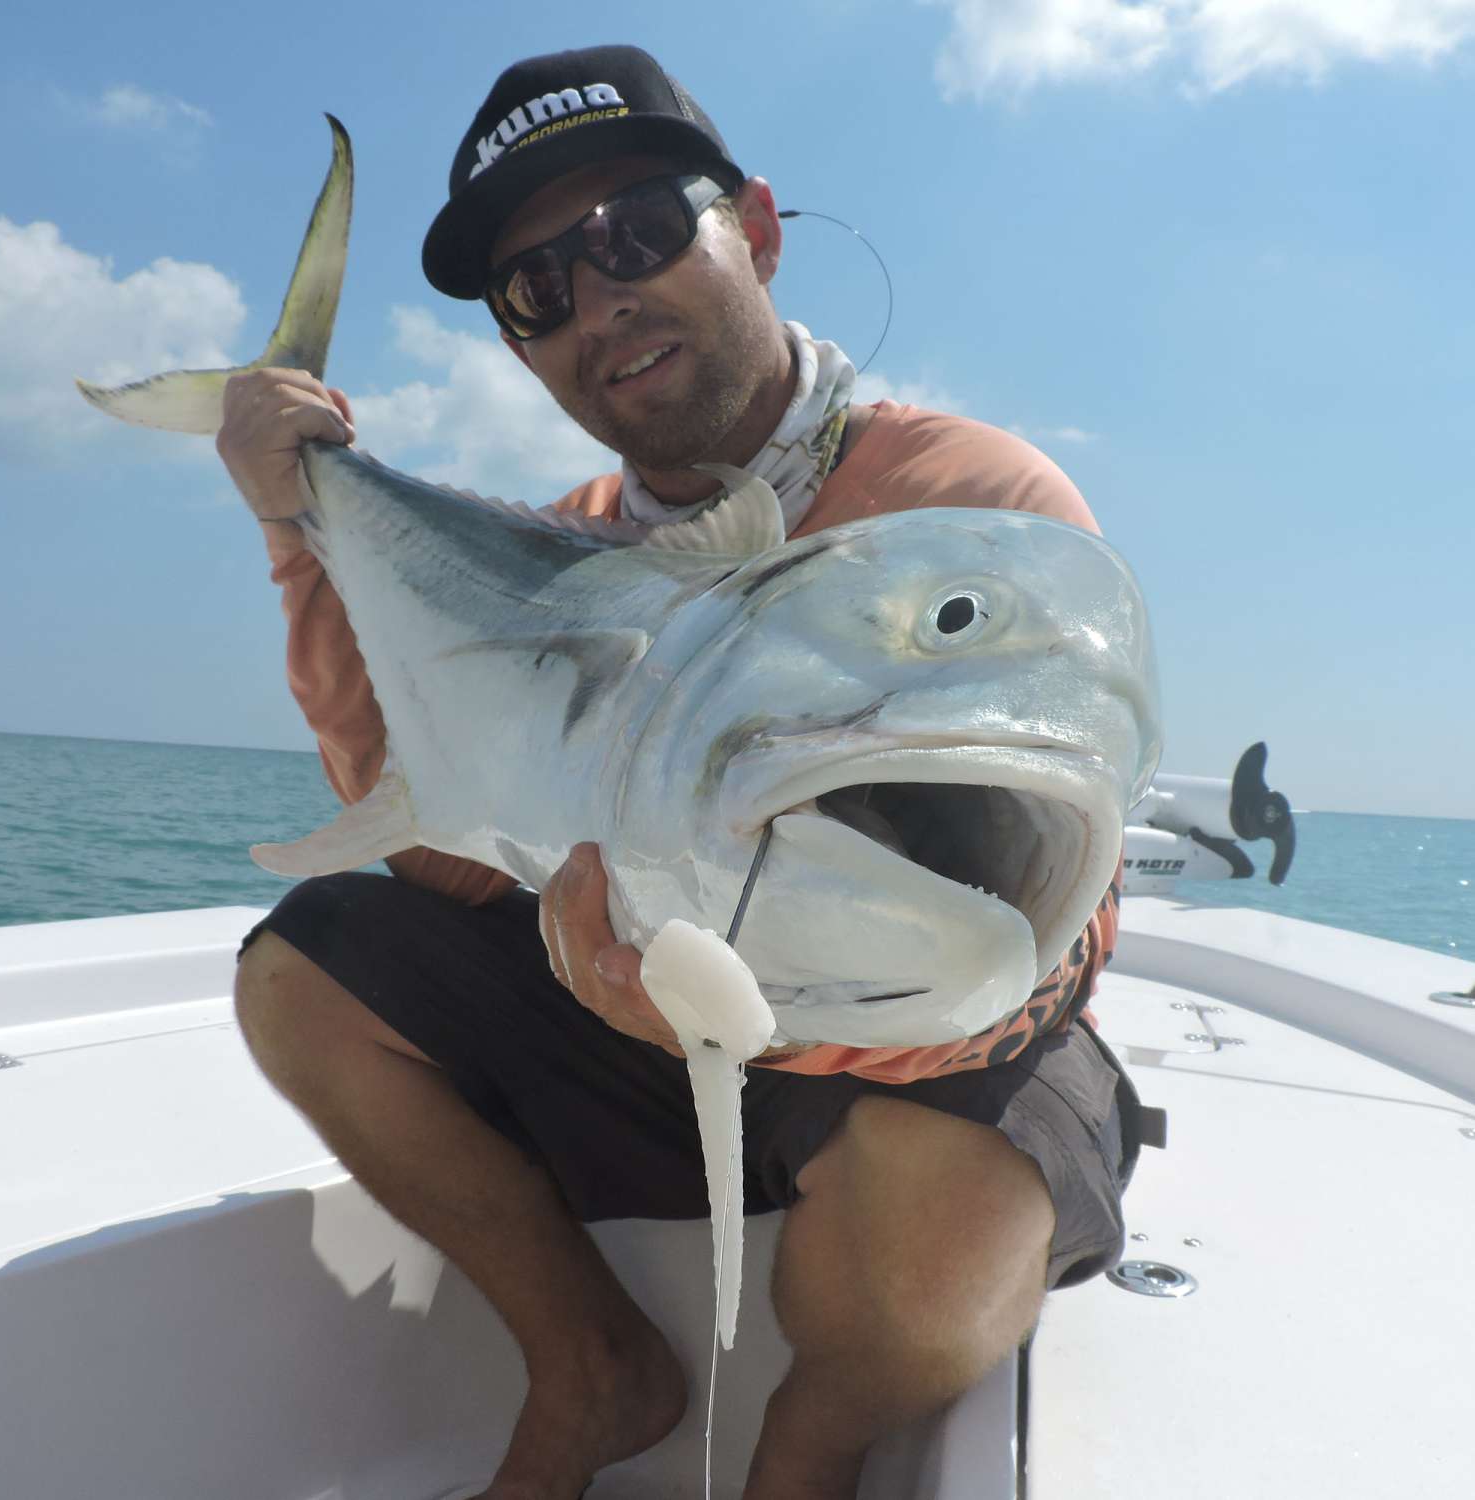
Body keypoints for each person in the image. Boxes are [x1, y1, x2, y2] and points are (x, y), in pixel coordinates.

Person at [223, 45, 1155, 1500]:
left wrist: (795, 1034)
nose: (600, 300)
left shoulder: (970, 511)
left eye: (638, 232)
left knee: (930, 1267)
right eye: (537, 291)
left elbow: (1057, 923)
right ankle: (592, 1366)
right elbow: (445, 849)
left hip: (910, 1027)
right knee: (305, 971)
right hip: (653, 996)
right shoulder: (567, 548)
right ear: (523, 348)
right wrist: (302, 524)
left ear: (759, 231)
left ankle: (810, 1444)